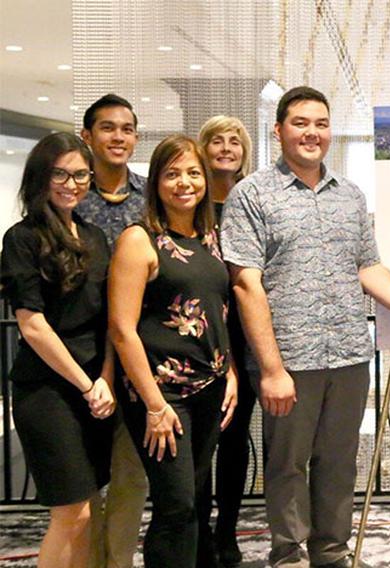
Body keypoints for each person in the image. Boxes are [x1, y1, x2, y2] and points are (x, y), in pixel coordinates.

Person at [220, 85, 390, 568]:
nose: (312, 133)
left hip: (348, 354)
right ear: (278, 131)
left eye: (320, 123)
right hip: (288, 361)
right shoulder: (251, 195)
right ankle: (289, 555)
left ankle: (332, 553)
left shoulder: (350, 195)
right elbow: (245, 286)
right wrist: (271, 369)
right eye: (300, 123)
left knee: (339, 463)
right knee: (287, 465)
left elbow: (368, 267)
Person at [108, 135, 238, 567]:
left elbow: (219, 311)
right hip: (164, 397)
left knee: (196, 503)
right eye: (172, 173)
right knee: (176, 506)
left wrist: (231, 371)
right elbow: (123, 330)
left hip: (211, 388)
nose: (185, 182)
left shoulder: (210, 237)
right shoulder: (139, 240)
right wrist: (153, 404)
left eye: (193, 172)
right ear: (156, 182)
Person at [1, 132, 117, 567]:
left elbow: (109, 320)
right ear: (41, 177)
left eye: (81, 174)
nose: (72, 183)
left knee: (87, 510)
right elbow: (33, 326)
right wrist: (88, 385)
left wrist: (105, 377)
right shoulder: (22, 238)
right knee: (72, 512)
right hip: (48, 392)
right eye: (61, 174)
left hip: (94, 390)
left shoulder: (95, 237)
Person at [78, 93, 149, 568]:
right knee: (82, 482)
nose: (118, 137)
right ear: (87, 136)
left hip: (137, 354)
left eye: (126, 129)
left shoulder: (151, 197)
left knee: (130, 477)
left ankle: (117, 561)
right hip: (79, 353)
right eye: (107, 128)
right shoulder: (66, 196)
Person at [195, 115, 254, 567]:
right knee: (199, 442)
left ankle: (227, 530)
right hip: (196, 336)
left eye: (235, 141)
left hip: (243, 335)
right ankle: (196, 534)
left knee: (234, 439)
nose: (226, 148)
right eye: (217, 140)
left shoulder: (252, 201)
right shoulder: (186, 201)